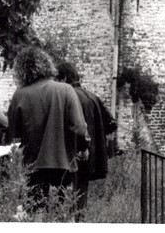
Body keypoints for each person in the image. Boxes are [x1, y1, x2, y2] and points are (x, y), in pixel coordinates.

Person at [7, 46, 89, 210]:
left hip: (32, 167)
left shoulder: (20, 95)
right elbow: (79, 128)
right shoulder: (66, 90)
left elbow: (14, 135)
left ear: (22, 71)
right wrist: (83, 148)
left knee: (35, 215)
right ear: (46, 64)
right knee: (63, 215)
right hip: (63, 165)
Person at [56, 62, 118, 214]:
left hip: (68, 157)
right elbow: (111, 124)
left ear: (64, 79)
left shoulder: (65, 97)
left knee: (63, 203)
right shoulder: (92, 96)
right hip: (88, 159)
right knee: (80, 202)